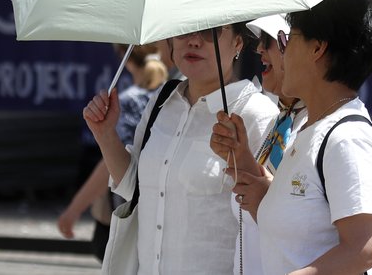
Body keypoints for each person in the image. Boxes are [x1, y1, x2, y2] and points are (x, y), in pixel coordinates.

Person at [83, 23, 279, 274]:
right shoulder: (162, 101)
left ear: (238, 43)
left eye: (211, 30)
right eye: (185, 29)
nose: (194, 41)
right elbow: (135, 187)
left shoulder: (257, 114)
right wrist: (105, 134)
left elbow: (276, 215)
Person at [256, 0, 372, 275]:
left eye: (287, 39)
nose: (281, 51)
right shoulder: (313, 129)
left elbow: (362, 250)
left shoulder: (348, 139)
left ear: (317, 49)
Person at [211, 14, 309, 275]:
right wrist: (240, 154)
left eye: (269, 40)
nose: (259, 49)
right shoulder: (280, 121)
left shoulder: (317, 128)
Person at [57, 43, 169, 261]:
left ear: (126, 59)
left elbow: (114, 165)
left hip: (127, 213)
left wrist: (74, 210)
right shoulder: (176, 97)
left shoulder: (128, 102)